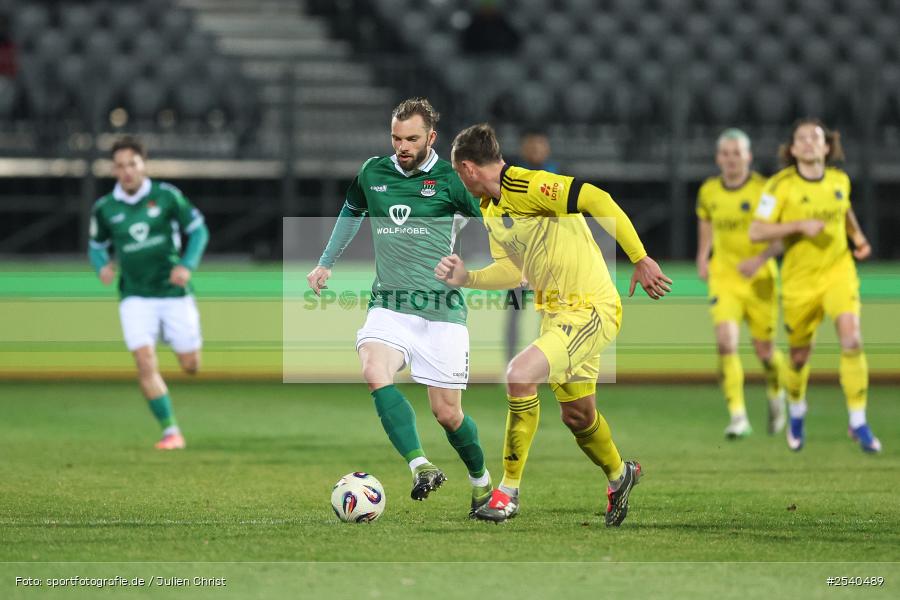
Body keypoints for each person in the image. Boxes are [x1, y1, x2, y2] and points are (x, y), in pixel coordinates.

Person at [436, 123, 672, 526]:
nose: (461, 181)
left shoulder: (527, 184)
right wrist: (468, 278)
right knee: (578, 416)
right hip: (556, 316)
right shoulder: (491, 210)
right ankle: (620, 475)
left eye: (459, 174)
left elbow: (597, 198)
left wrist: (640, 257)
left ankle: (507, 493)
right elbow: (512, 269)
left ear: (469, 168)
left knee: (519, 374)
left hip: (590, 309)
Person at [306, 98, 493, 516]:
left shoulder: (451, 180)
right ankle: (420, 465)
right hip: (389, 304)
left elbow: (494, 220)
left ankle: (482, 484)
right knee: (374, 369)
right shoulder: (373, 172)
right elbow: (351, 210)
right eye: (396, 137)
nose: (402, 146)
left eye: (411, 138)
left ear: (431, 137)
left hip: (442, 309)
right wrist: (325, 263)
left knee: (447, 414)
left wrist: (509, 264)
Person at [749, 119, 880, 453]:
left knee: (851, 339)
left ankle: (858, 420)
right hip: (798, 281)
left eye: (815, 137)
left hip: (838, 271)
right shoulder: (779, 187)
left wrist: (858, 236)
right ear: (793, 149)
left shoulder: (839, 180)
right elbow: (756, 232)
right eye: (802, 138)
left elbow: (844, 208)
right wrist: (798, 225)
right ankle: (797, 411)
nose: (809, 142)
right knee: (798, 356)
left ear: (826, 147)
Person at [88, 137, 209, 450]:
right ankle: (171, 431)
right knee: (144, 362)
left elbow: (198, 229)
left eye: (132, 164)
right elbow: (96, 245)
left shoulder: (166, 197)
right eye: (120, 166)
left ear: (143, 165)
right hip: (135, 295)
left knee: (190, 365)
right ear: (113, 170)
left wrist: (187, 264)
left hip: (173, 292)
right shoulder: (105, 208)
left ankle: (170, 335)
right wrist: (102, 266)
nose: (126, 171)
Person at [696, 128, 786, 439]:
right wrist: (703, 255)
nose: (732, 159)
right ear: (718, 158)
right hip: (725, 276)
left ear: (748, 156)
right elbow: (706, 221)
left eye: (738, 153)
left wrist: (759, 260)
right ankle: (738, 416)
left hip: (760, 277)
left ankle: (777, 392)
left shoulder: (764, 191)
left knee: (765, 352)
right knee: (725, 343)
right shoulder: (709, 191)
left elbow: (782, 237)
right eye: (726, 153)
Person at [504, 130, 559, 362]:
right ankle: (510, 364)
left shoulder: (556, 178)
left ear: (547, 148)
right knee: (515, 312)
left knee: (550, 313)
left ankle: (548, 362)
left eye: (540, 145)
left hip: (546, 261)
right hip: (518, 261)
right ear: (524, 149)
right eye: (532, 146)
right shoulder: (513, 177)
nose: (536, 150)